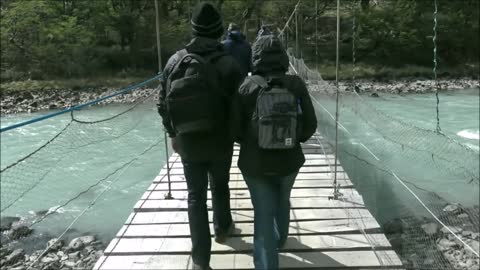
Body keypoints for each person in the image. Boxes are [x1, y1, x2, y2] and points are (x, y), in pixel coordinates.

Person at [157, 2, 242, 270]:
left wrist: (173, 133)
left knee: (195, 196)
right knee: (220, 185)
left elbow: (162, 104)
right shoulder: (230, 63)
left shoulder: (175, 61)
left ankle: (200, 261)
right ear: (219, 31)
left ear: (193, 29)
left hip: (188, 141)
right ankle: (223, 227)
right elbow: (240, 105)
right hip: (220, 140)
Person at [230, 32, 317, 270]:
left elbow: (234, 129)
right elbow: (311, 124)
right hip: (289, 161)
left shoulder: (246, 86)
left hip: (254, 163)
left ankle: (267, 263)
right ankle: (281, 240)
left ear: (255, 57)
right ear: (282, 57)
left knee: (263, 214)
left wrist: (254, 140)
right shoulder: (296, 84)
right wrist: (291, 140)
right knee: (283, 200)